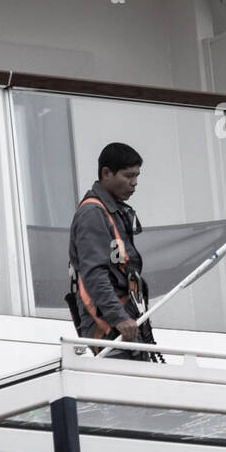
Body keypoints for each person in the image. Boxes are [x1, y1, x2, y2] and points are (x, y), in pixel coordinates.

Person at [67, 142, 156, 361]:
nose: (134, 183)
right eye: (128, 176)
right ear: (106, 173)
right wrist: (119, 318)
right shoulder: (92, 213)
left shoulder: (114, 212)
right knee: (126, 388)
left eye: (137, 176)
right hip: (108, 325)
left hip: (126, 323)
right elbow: (94, 274)